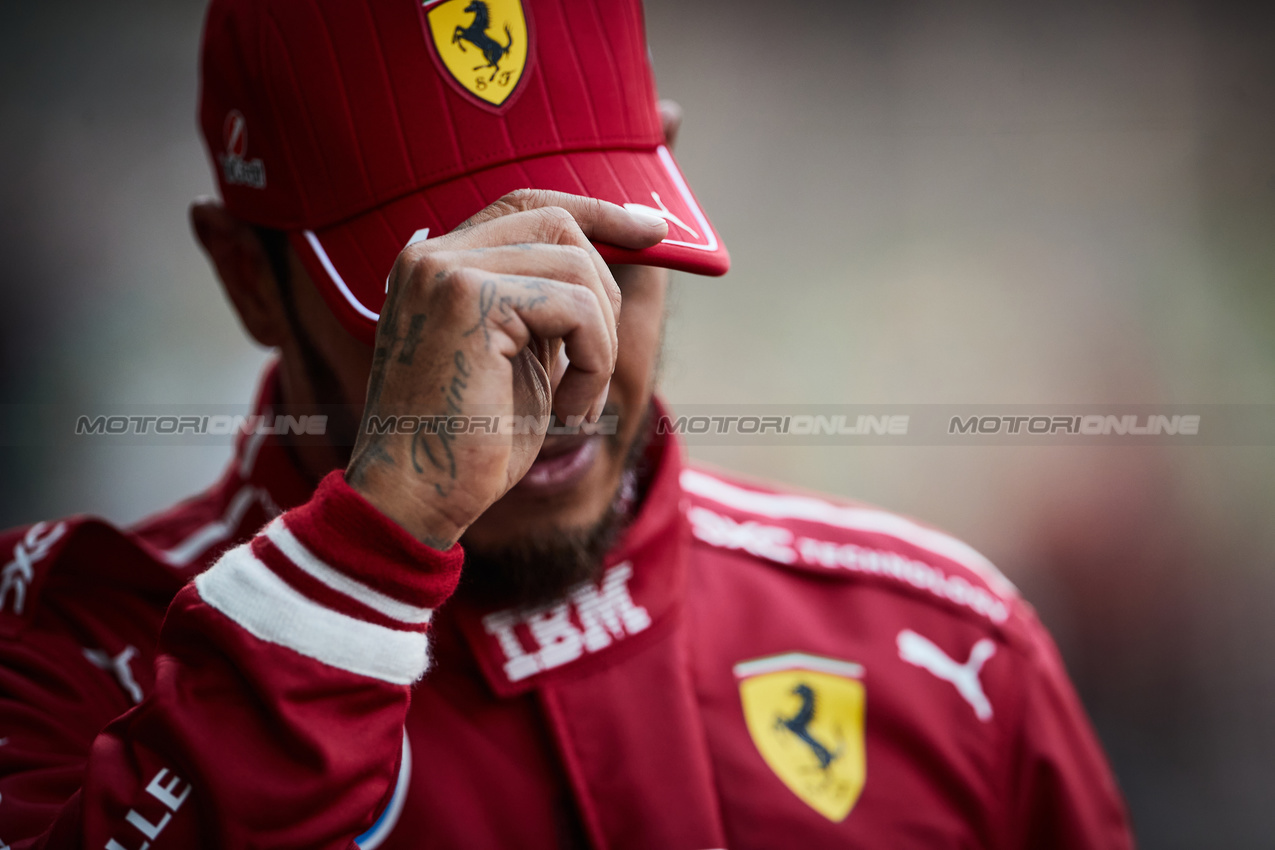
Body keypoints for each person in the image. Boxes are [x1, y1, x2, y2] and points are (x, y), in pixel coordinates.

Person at [0, 0, 1134, 847]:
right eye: (441, 306)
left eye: (609, 255)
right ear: (248, 278)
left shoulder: (950, 651)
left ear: (666, 177)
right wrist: (375, 542)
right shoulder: (67, 652)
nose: (567, 375)